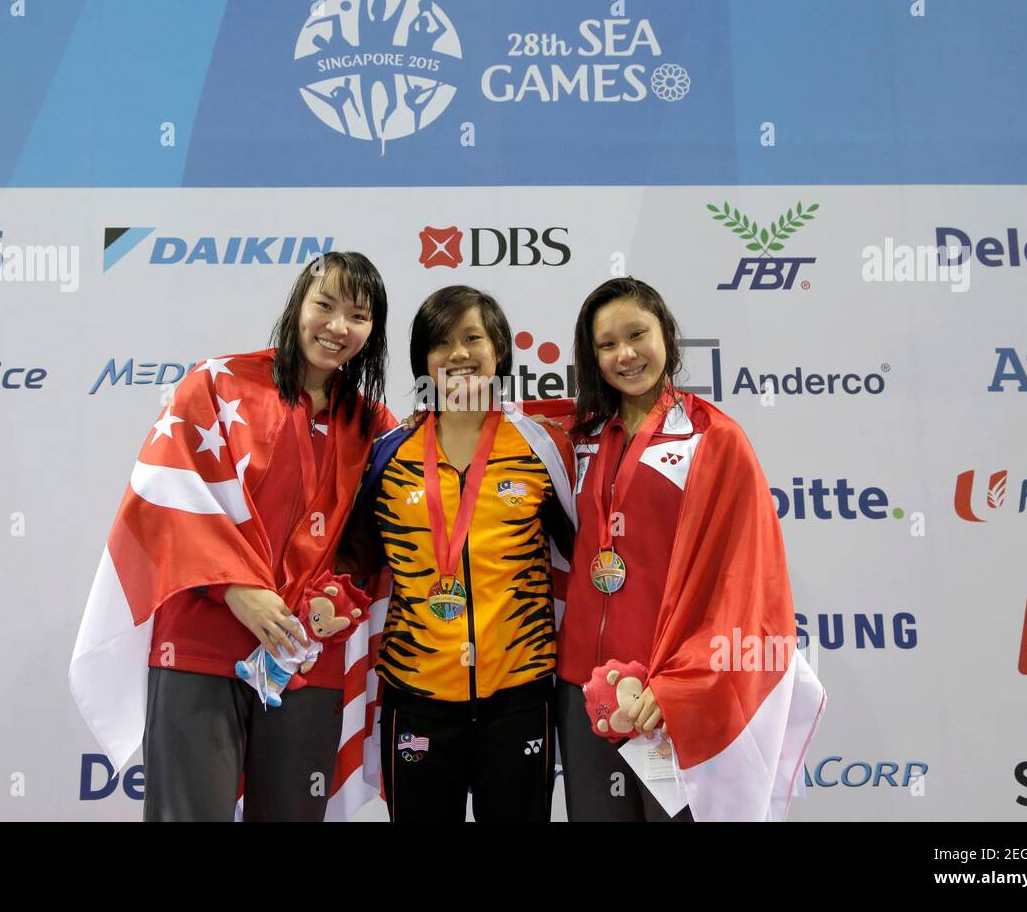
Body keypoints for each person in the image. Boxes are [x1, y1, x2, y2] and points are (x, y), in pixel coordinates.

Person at [70, 251, 394, 821]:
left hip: (303, 652)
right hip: (201, 642)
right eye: (324, 306)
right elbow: (167, 499)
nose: (338, 327)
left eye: (358, 315)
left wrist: (336, 600)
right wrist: (237, 589)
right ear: (298, 307)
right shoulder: (216, 383)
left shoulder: (374, 426)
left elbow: (377, 544)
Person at [555, 277, 824, 822]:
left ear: (667, 337)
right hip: (585, 690)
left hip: (670, 691)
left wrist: (685, 678)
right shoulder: (578, 435)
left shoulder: (715, 439)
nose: (625, 355)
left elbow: (747, 579)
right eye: (606, 345)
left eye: (638, 335)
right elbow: (496, 430)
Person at [344, 285, 575, 822]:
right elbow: (353, 562)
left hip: (519, 694)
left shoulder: (543, 447)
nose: (459, 354)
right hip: (417, 694)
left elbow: (584, 559)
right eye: (441, 342)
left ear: (499, 350)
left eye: (473, 338)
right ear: (423, 360)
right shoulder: (389, 454)